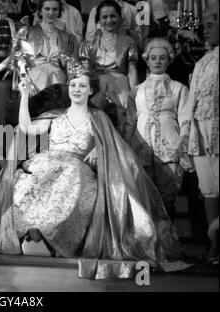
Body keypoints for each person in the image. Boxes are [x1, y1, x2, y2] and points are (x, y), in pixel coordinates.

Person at [0, 61, 183, 279]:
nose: (76, 90)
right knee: (24, 182)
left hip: (76, 168)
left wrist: (99, 151)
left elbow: (114, 147)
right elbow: (27, 128)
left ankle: (57, 239)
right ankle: (35, 228)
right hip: (46, 164)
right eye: (73, 85)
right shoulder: (55, 115)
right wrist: (24, 97)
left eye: (82, 86)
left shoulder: (98, 118)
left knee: (69, 181)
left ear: (91, 90)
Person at [124, 38, 191, 220]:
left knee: (168, 196)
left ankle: (169, 242)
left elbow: (186, 119)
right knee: (144, 195)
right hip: (141, 143)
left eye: (162, 58)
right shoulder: (136, 91)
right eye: (153, 58)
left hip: (169, 143)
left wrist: (182, 141)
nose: (157, 61)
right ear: (147, 60)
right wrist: (126, 147)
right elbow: (130, 121)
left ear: (169, 60)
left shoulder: (179, 89)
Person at [179, 3, 219, 262]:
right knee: (209, 190)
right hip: (201, 133)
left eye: (211, 25)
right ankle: (215, 244)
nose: (205, 31)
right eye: (204, 26)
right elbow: (193, 101)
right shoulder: (204, 60)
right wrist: (188, 135)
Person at [79, 0, 138, 132]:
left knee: (122, 125)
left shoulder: (128, 42)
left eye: (113, 16)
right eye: (104, 17)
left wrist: (134, 97)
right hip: (97, 88)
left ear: (119, 18)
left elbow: (132, 71)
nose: (109, 20)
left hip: (121, 90)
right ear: (98, 20)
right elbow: (85, 71)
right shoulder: (89, 43)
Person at [26, 0, 79, 94]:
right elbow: (20, 61)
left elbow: (73, 66)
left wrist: (70, 86)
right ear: (40, 11)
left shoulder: (68, 37)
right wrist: (26, 82)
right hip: (33, 83)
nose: (51, 13)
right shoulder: (28, 33)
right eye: (47, 9)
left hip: (58, 84)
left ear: (59, 12)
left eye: (55, 9)